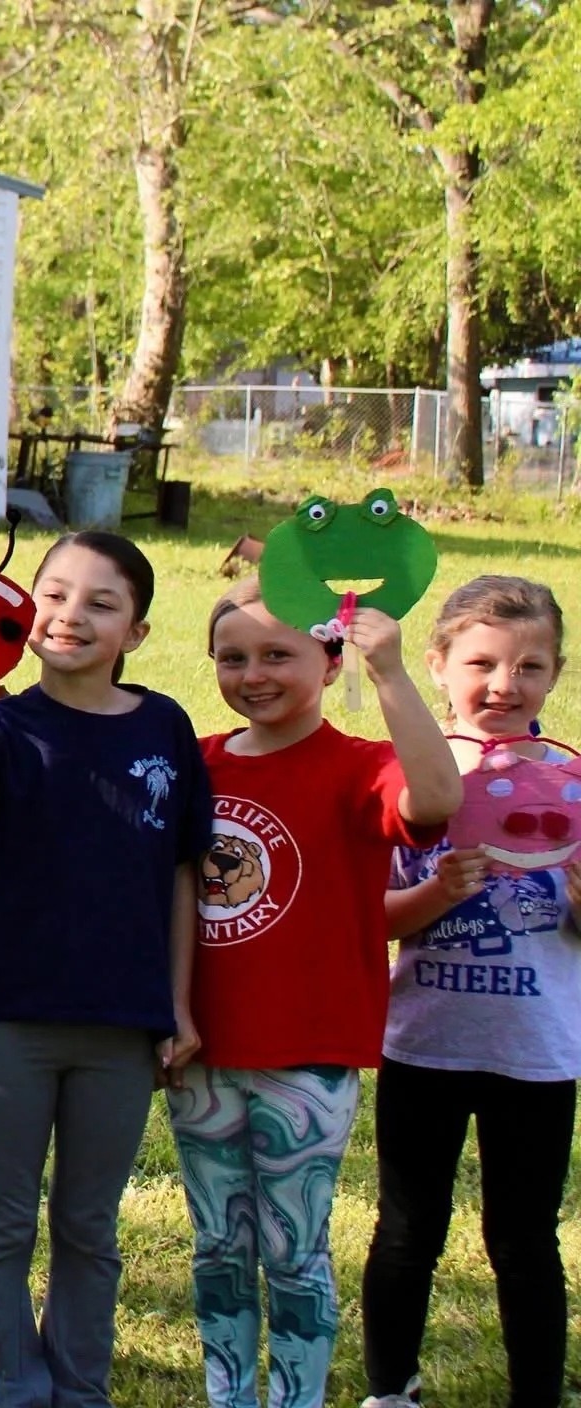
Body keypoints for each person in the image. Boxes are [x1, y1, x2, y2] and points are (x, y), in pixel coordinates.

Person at [0, 529, 212, 1408]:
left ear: (138, 633)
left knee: (88, 1224)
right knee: (0, 1220)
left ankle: (80, 1390)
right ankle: (10, 1389)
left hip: (121, 1020)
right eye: (57, 593)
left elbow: (185, 875)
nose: (72, 614)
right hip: (10, 1016)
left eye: (101, 603)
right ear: (28, 610)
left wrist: (179, 1007)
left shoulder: (164, 727)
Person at [175, 576, 459, 1408]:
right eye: (232, 657)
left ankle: (297, 1399)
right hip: (199, 1048)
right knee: (217, 1247)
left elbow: (438, 799)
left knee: (294, 1249)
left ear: (329, 665)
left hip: (310, 1052)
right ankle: (231, 1397)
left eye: (277, 655)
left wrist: (394, 676)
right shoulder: (198, 764)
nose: (253, 674)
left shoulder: (361, 766)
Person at [362, 576, 581, 1408]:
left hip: (537, 1050)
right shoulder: (410, 776)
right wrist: (437, 895)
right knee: (408, 1230)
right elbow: (371, 918)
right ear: (439, 664)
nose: (503, 684)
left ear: (556, 674)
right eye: (482, 662)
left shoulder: (572, 781)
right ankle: (391, 1391)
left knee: (525, 1240)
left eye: (530, 666)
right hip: (423, 1041)